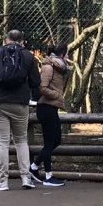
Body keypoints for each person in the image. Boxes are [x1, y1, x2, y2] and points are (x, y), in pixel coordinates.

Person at [0, 29, 41, 191]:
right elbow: (36, 81)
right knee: (21, 140)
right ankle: (26, 178)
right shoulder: (28, 56)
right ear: (22, 41)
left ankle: (3, 181)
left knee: (2, 142)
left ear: (6, 40)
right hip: (20, 102)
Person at [30, 43, 69, 187]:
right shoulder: (48, 67)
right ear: (61, 55)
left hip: (52, 108)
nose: (68, 57)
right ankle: (48, 176)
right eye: (67, 54)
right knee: (49, 142)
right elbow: (42, 87)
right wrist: (57, 95)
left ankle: (34, 167)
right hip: (45, 107)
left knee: (56, 140)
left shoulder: (58, 68)